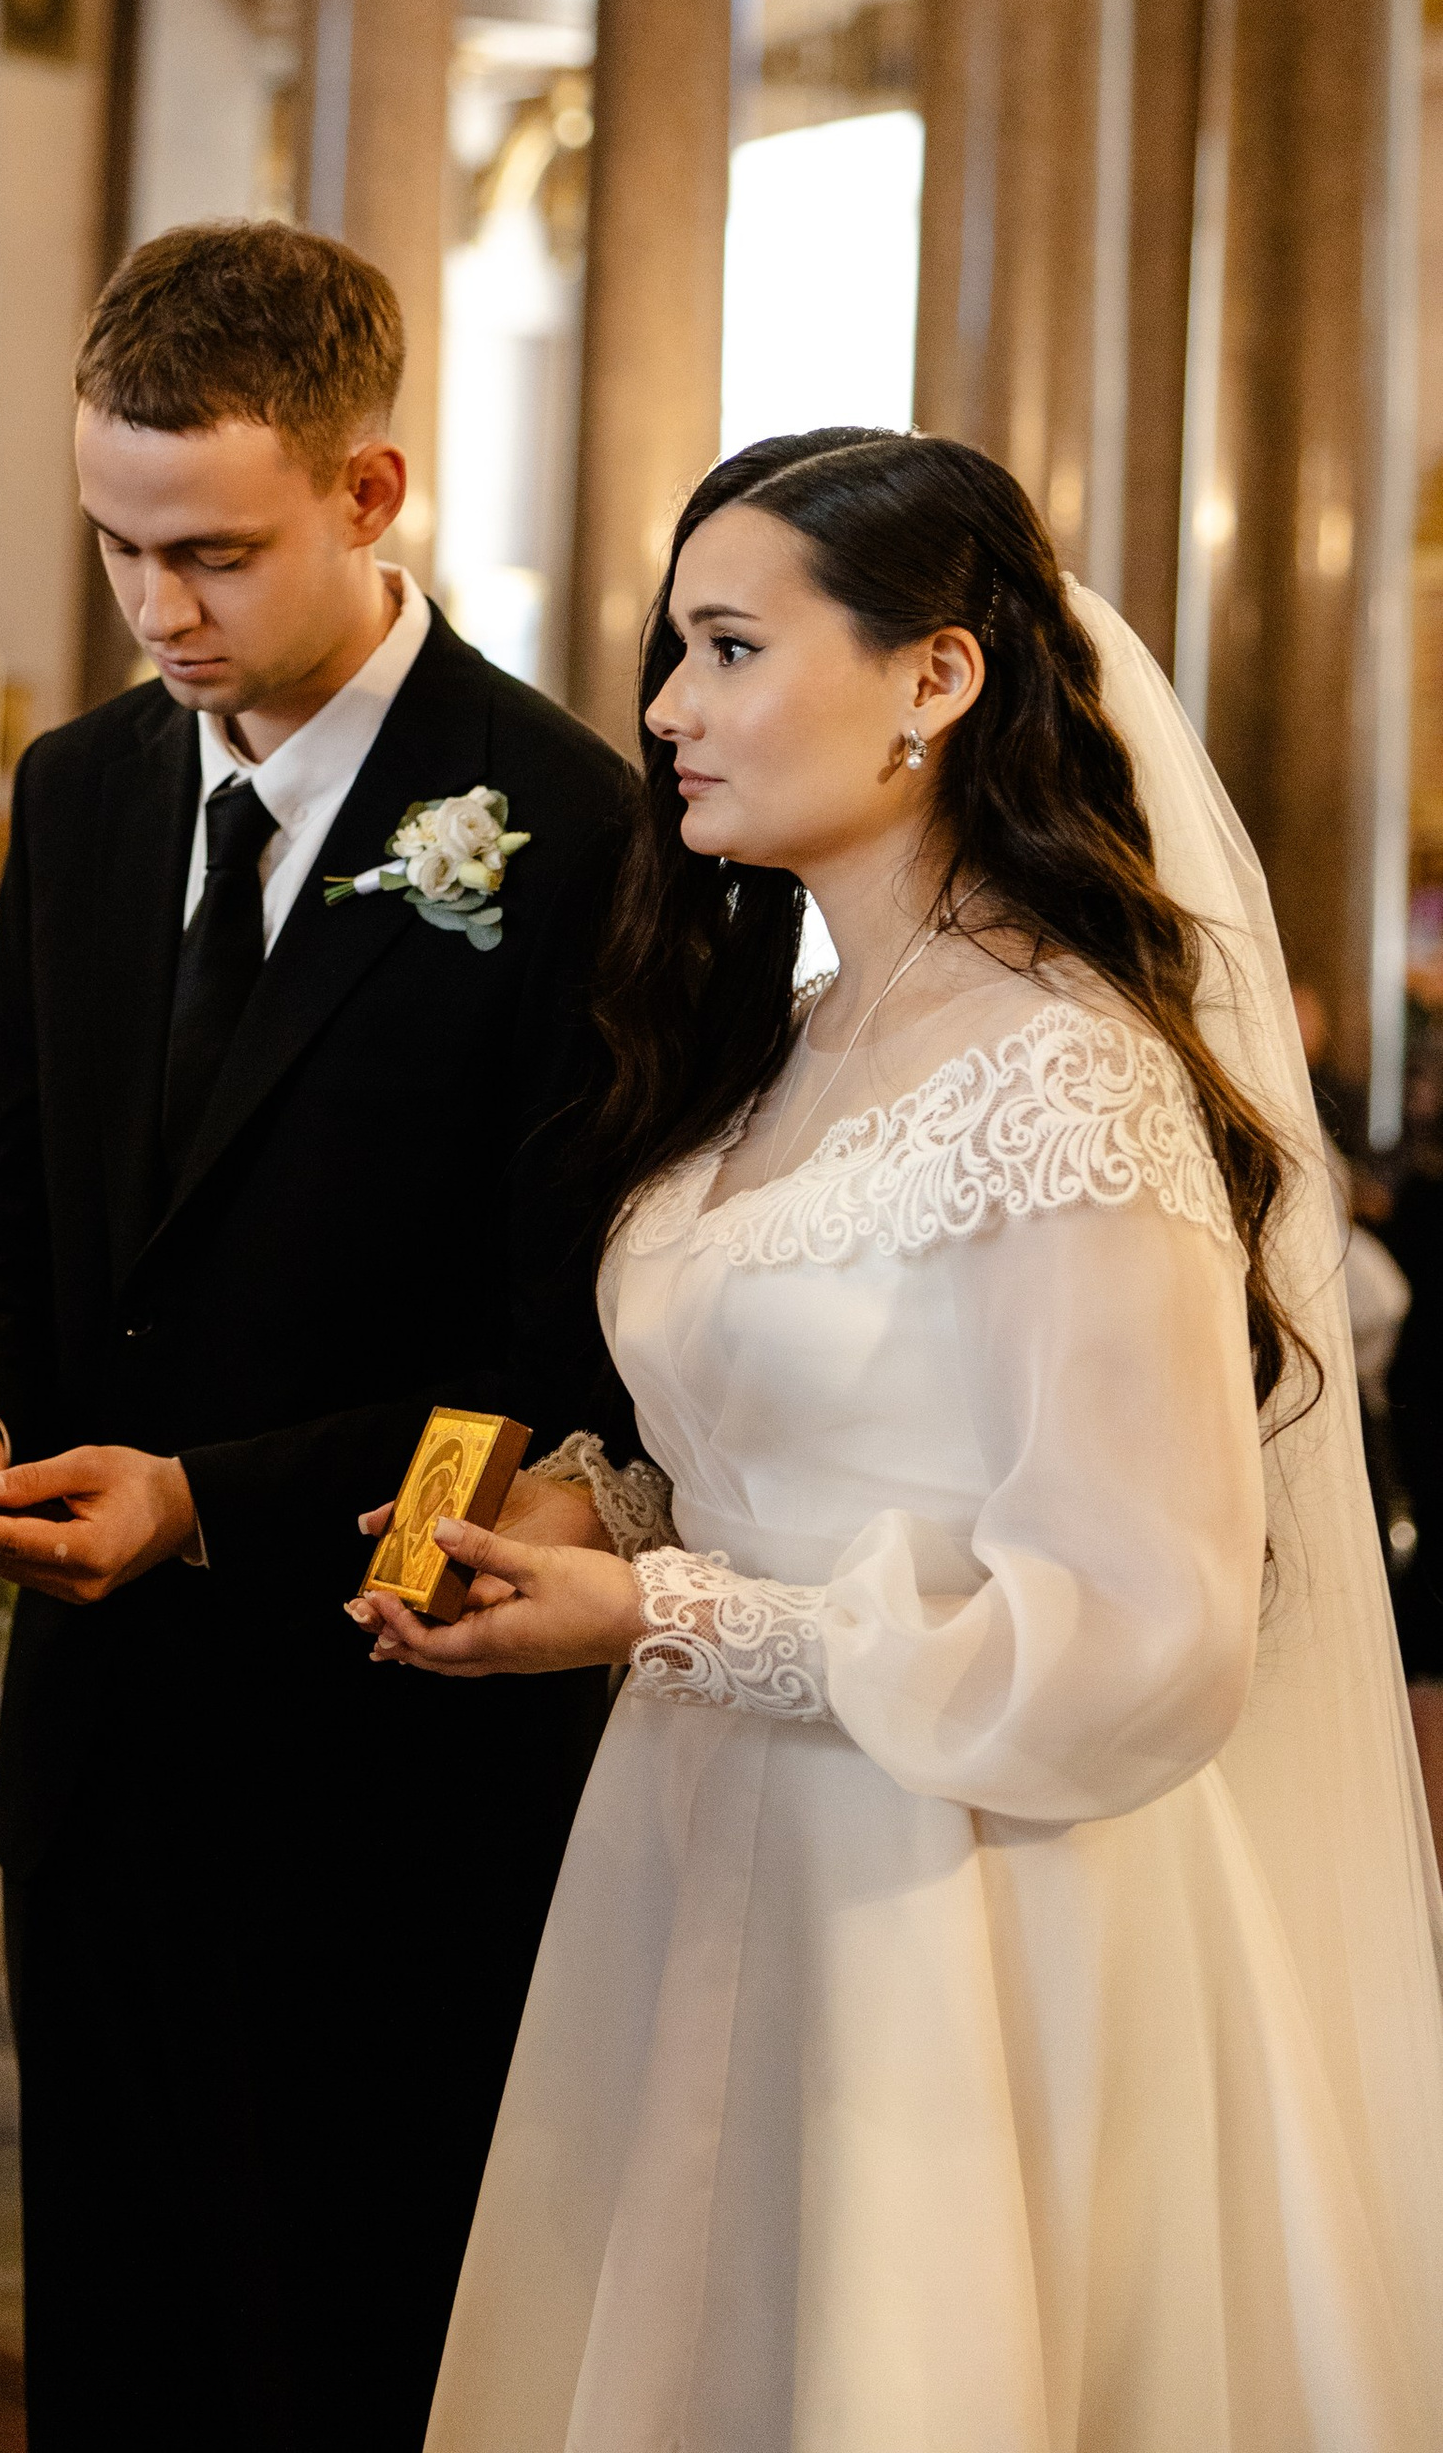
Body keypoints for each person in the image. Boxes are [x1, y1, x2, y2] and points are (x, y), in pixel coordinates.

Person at [359, 428, 1443, 2452]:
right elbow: (811, 1447)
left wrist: (657, 1612)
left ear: (934, 678)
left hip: (959, 1892)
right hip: (698, 1846)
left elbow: (1140, 1623)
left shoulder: (1068, 1079)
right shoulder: (778, 1047)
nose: (668, 712)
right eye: (669, 652)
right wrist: (598, 1504)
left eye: (728, 646)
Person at [0, 221, 637, 2453]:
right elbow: (20, 1204)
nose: (154, 608)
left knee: (349, 2353)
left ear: (370, 495)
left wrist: (211, 1505)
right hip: (100, 1753)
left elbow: (559, 1343)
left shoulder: (574, 828)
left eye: (207, 551)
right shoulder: (82, 791)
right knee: (109, 2351)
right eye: (111, 544)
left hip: (386, 1756)